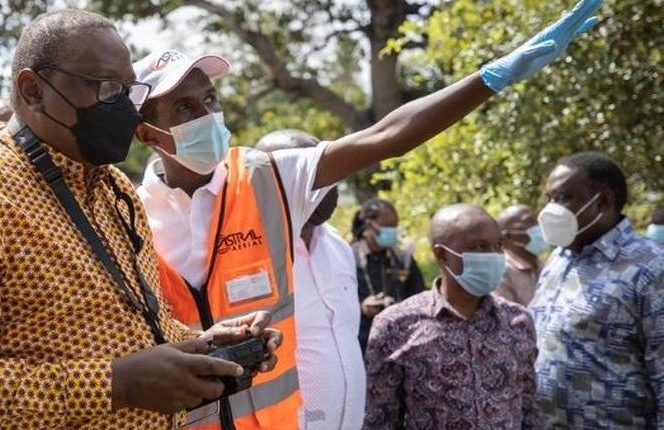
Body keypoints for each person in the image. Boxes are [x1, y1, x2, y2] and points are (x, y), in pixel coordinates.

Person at [133, 1, 601, 427]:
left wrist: (491, 78)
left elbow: (387, 135)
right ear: (148, 133)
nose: (207, 115)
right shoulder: (129, 215)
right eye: (184, 107)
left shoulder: (268, 177)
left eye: (210, 99)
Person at [0, 10, 281, 429]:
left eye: (129, 90)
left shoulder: (115, 190)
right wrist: (115, 385)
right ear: (33, 89)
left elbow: (129, 332)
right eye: (107, 87)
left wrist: (201, 344)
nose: (126, 109)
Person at [363, 204, 539, 429]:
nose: (493, 257)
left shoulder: (518, 322)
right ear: (441, 254)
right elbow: (380, 420)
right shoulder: (396, 326)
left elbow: (529, 410)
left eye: (497, 246)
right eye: (480, 247)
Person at [529, 152, 664, 428]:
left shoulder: (651, 268)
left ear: (603, 200)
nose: (551, 209)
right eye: (549, 199)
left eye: (563, 198)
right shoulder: (557, 259)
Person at [255, 130, 365, 430]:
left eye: (329, 170)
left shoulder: (338, 247)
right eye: (312, 175)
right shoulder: (249, 257)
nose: (326, 184)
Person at [351, 199, 425, 352]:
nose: (392, 231)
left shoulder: (402, 258)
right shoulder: (348, 257)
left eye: (394, 226)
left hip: (400, 343)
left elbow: (420, 295)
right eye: (387, 226)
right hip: (362, 343)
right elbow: (333, 303)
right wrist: (361, 308)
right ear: (368, 224)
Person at [495, 204, 547, 306]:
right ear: (509, 236)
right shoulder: (500, 273)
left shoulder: (544, 266)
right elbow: (506, 318)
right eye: (530, 222)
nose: (539, 226)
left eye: (538, 221)